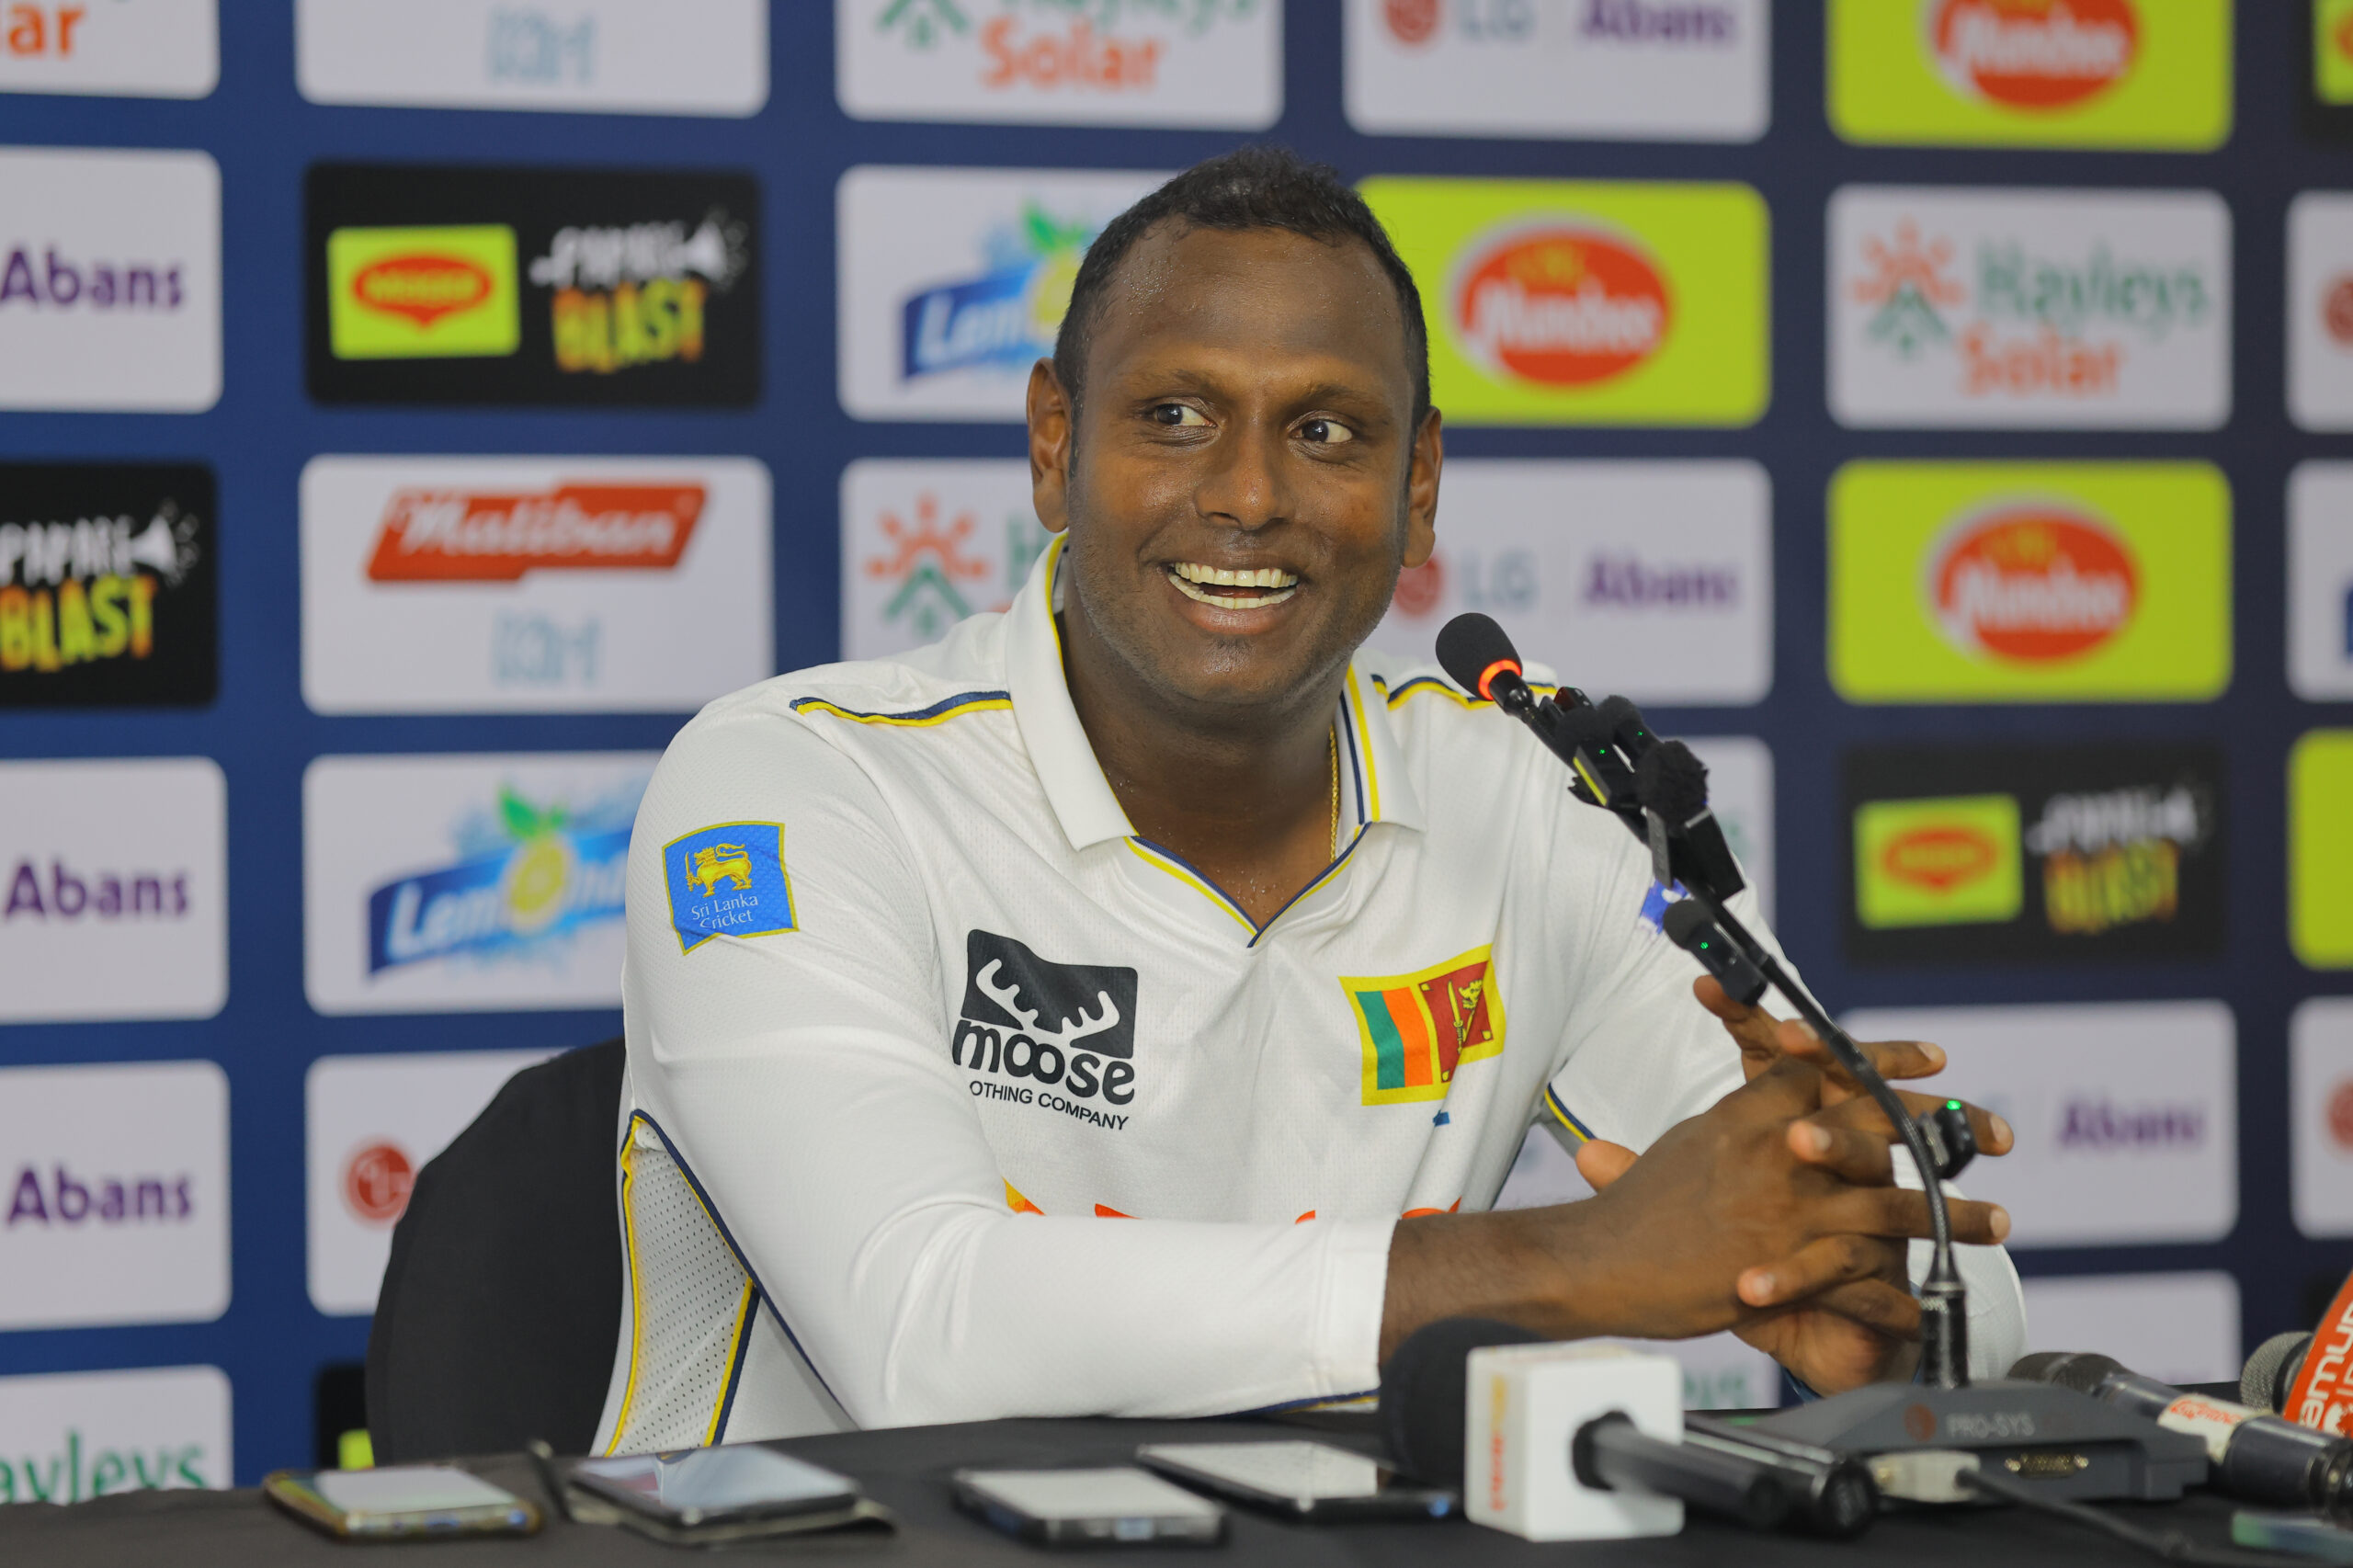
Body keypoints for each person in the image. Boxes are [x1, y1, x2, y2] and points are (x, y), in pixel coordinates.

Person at [590, 147, 2024, 1455]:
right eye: (1175, 415)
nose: (1249, 493)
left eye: (1327, 431)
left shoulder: (1537, 803)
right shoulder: (795, 781)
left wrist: (1880, 1278)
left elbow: (1959, 1297)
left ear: (1419, 485)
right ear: (1053, 445)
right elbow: (921, 1326)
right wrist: (1572, 1262)